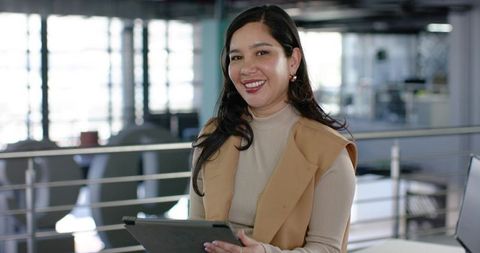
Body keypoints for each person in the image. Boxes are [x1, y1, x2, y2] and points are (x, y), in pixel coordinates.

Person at [189, 5, 357, 253]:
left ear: (293, 62)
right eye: (236, 57)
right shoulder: (214, 135)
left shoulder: (329, 152)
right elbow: (195, 231)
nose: (246, 68)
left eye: (262, 53)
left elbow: (327, 249)